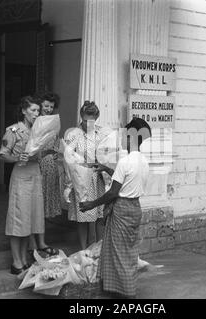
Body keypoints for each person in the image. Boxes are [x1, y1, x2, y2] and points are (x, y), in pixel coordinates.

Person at [79, 117, 151, 299]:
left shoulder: (125, 162)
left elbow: (113, 193)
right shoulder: (143, 160)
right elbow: (126, 181)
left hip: (121, 209)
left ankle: (127, 294)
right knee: (127, 252)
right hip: (135, 208)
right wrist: (106, 168)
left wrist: (91, 205)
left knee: (119, 255)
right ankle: (117, 289)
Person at [0, 96, 47, 275]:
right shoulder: (13, 130)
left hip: (35, 175)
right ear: (23, 111)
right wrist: (18, 157)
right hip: (20, 176)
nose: (36, 114)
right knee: (18, 219)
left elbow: (40, 154)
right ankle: (16, 261)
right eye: (33, 110)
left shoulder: (38, 131)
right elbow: (3, 155)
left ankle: (25, 259)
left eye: (38, 111)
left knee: (31, 218)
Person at [63, 101, 108, 250]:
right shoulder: (73, 134)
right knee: (83, 216)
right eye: (85, 120)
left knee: (99, 216)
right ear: (81, 117)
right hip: (81, 179)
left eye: (92, 121)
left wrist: (103, 164)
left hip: (97, 178)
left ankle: (97, 248)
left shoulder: (101, 134)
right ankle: (83, 250)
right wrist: (69, 184)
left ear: (96, 118)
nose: (88, 124)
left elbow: (107, 155)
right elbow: (68, 158)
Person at [28, 92, 61, 257]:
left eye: (51, 106)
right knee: (34, 204)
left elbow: (56, 145)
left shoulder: (55, 122)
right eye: (45, 106)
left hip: (50, 167)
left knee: (43, 205)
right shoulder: (34, 122)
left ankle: (41, 241)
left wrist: (54, 153)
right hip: (36, 165)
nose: (48, 109)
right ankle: (32, 241)